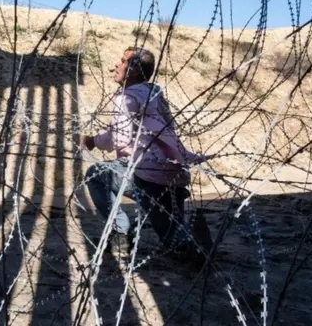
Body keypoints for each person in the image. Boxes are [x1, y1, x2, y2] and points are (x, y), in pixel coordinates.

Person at [80, 46, 213, 261]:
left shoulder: (126, 98)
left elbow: (119, 138)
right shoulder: (154, 93)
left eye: (122, 61)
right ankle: (194, 240)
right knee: (172, 235)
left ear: (132, 70)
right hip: (172, 169)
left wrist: (92, 141)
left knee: (95, 174)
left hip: (147, 174)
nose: (116, 65)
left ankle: (121, 233)